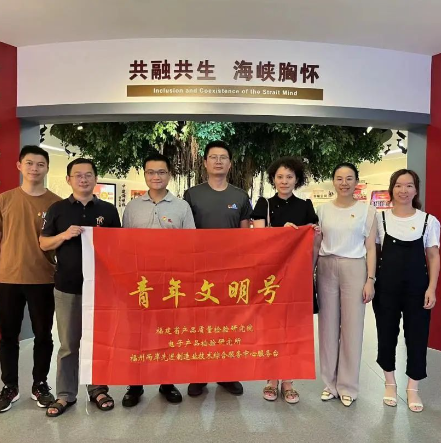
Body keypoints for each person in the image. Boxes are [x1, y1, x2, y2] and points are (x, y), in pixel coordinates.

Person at [39, 158, 121, 417]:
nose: (83, 179)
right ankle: (65, 394)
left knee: (98, 341)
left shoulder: (108, 210)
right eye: (78, 175)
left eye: (88, 175)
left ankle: (98, 389)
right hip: (67, 287)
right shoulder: (57, 209)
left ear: (95, 178)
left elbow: (118, 245)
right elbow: (43, 243)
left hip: (100, 288)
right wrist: (64, 235)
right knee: (68, 344)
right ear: (68, 180)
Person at [0, 145, 61, 413]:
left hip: (44, 279)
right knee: (8, 336)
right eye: (29, 163)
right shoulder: (3, 200)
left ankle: (40, 384)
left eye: (40, 164)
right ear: (19, 166)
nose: (34, 169)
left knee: (43, 336)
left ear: (47, 168)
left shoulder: (56, 203)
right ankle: (10, 387)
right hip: (7, 279)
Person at [121, 152, 195, 407]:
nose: (156, 176)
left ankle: (167, 382)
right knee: (138, 334)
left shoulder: (182, 207)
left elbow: (191, 244)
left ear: (169, 175)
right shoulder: (132, 207)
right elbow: (124, 245)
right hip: (139, 282)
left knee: (167, 333)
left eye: (161, 172)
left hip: (170, 282)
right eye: (151, 172)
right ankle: (135, 384)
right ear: (145, 175)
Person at [183, 140, 252, 397]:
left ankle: (227, 374)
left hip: (230, 272)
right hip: (200, 271)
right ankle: (198, 375)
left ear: (230, 163)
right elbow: (185, 233)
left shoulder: (240, 196)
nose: (218, 161)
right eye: (213, 157)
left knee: (229, 324)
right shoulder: (192, 195)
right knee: (199, 324)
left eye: (223, 157)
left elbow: (246, 237)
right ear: (205, 163)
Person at [250, 157, 319, 404]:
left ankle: (288, 380)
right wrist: (281, 233)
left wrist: (314, 234)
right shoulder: (264, 204)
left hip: (297, 278)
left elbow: (313, 239)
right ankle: (271, 378)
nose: (284, 181)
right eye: (279, 177)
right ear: (273, 179)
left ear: (297, 180)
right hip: (270, 278)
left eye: (289, 177)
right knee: (270, 328)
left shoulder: (306, 206)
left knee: (293, 329)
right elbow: (259, 238)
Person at [373, 169, 440, 413]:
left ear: (416, 190)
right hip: (386, 288)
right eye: (399, 185)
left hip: (417, 289)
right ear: (392, 189)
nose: (403, 190)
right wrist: (370, 281)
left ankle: (413, 388)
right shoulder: (379, 219)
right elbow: (373, 255)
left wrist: (431, 287)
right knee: (386, 335)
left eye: (409, 185)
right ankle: (390, 384)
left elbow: (433, 256)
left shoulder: (428, 221)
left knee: (417, 336)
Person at [316, 163, 377, 407]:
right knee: (327, 327)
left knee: (352, 327)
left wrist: (370, 279)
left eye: (349, 178)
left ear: (356, 182)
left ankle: (348, 386)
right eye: (339, 178)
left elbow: (371, 248)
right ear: (333, 181)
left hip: (355, 267)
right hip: (326, 266)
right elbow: (316, 243)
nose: (344, 183)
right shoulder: (322, 210)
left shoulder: (367, 211)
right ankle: (329, 384)